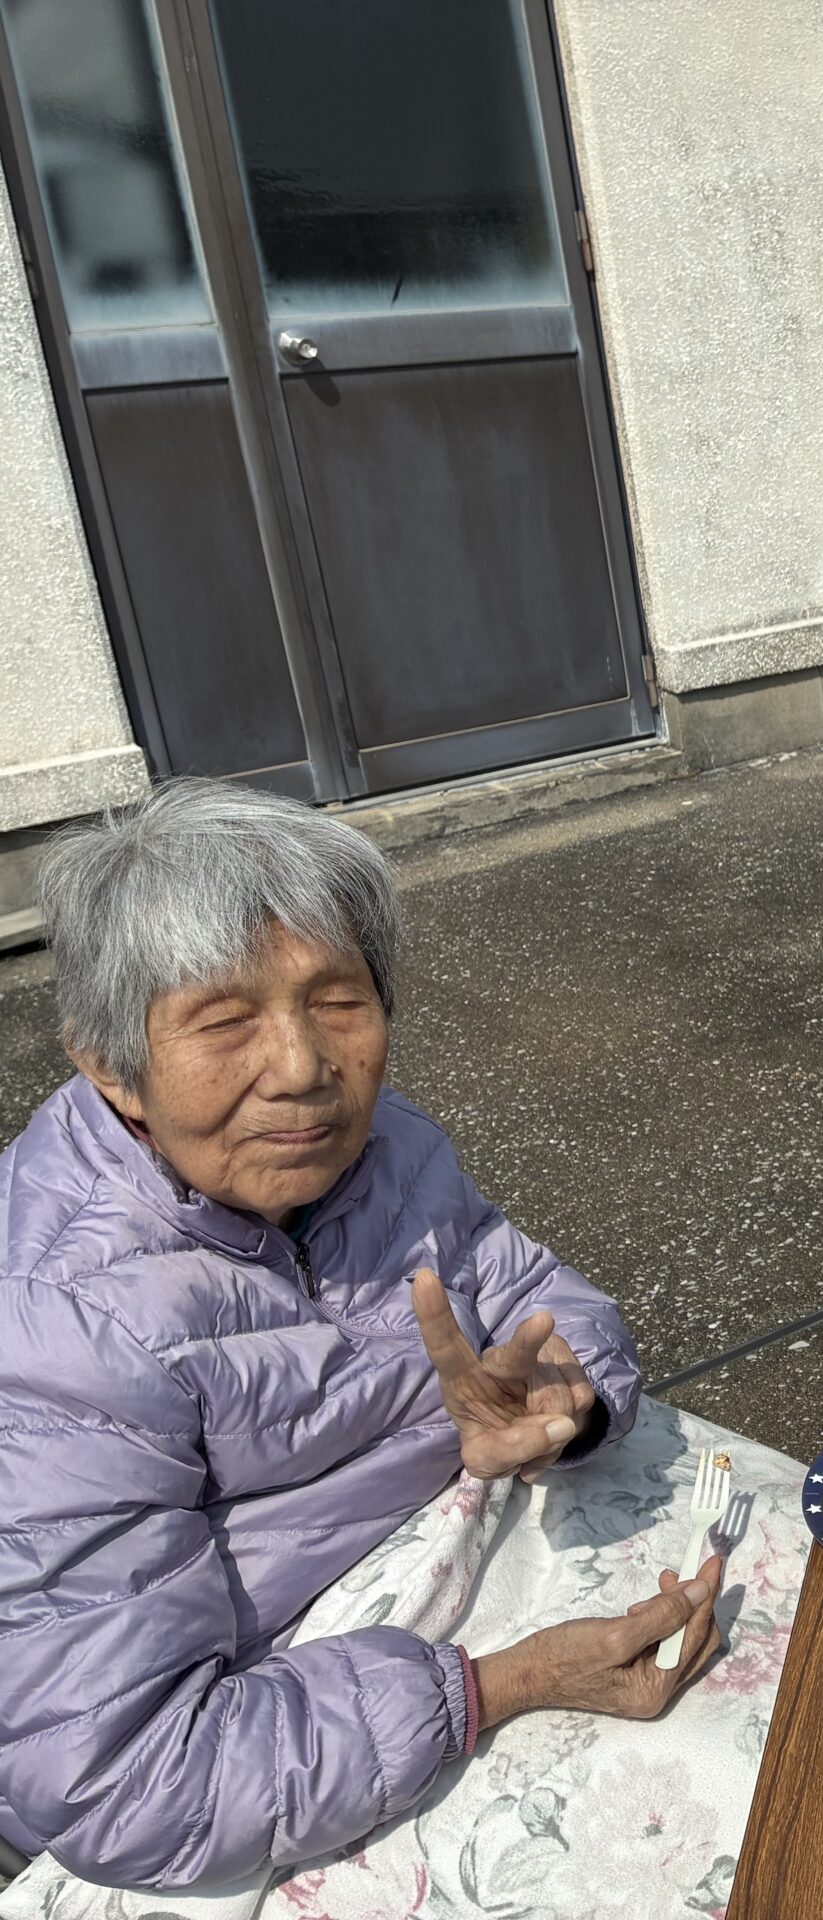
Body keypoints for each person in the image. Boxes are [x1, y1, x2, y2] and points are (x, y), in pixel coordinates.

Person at [0, 780, 726, 1892]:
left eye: (337, 1000)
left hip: (443, 1576)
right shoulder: (58, 1326)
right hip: (276, 1728)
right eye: (223, 1021)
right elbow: (125, 1782)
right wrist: (501, 1687)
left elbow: (533, 1291)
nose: (301, 1068)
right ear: (108, 1064)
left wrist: (560, 1403)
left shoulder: (385, 1148)